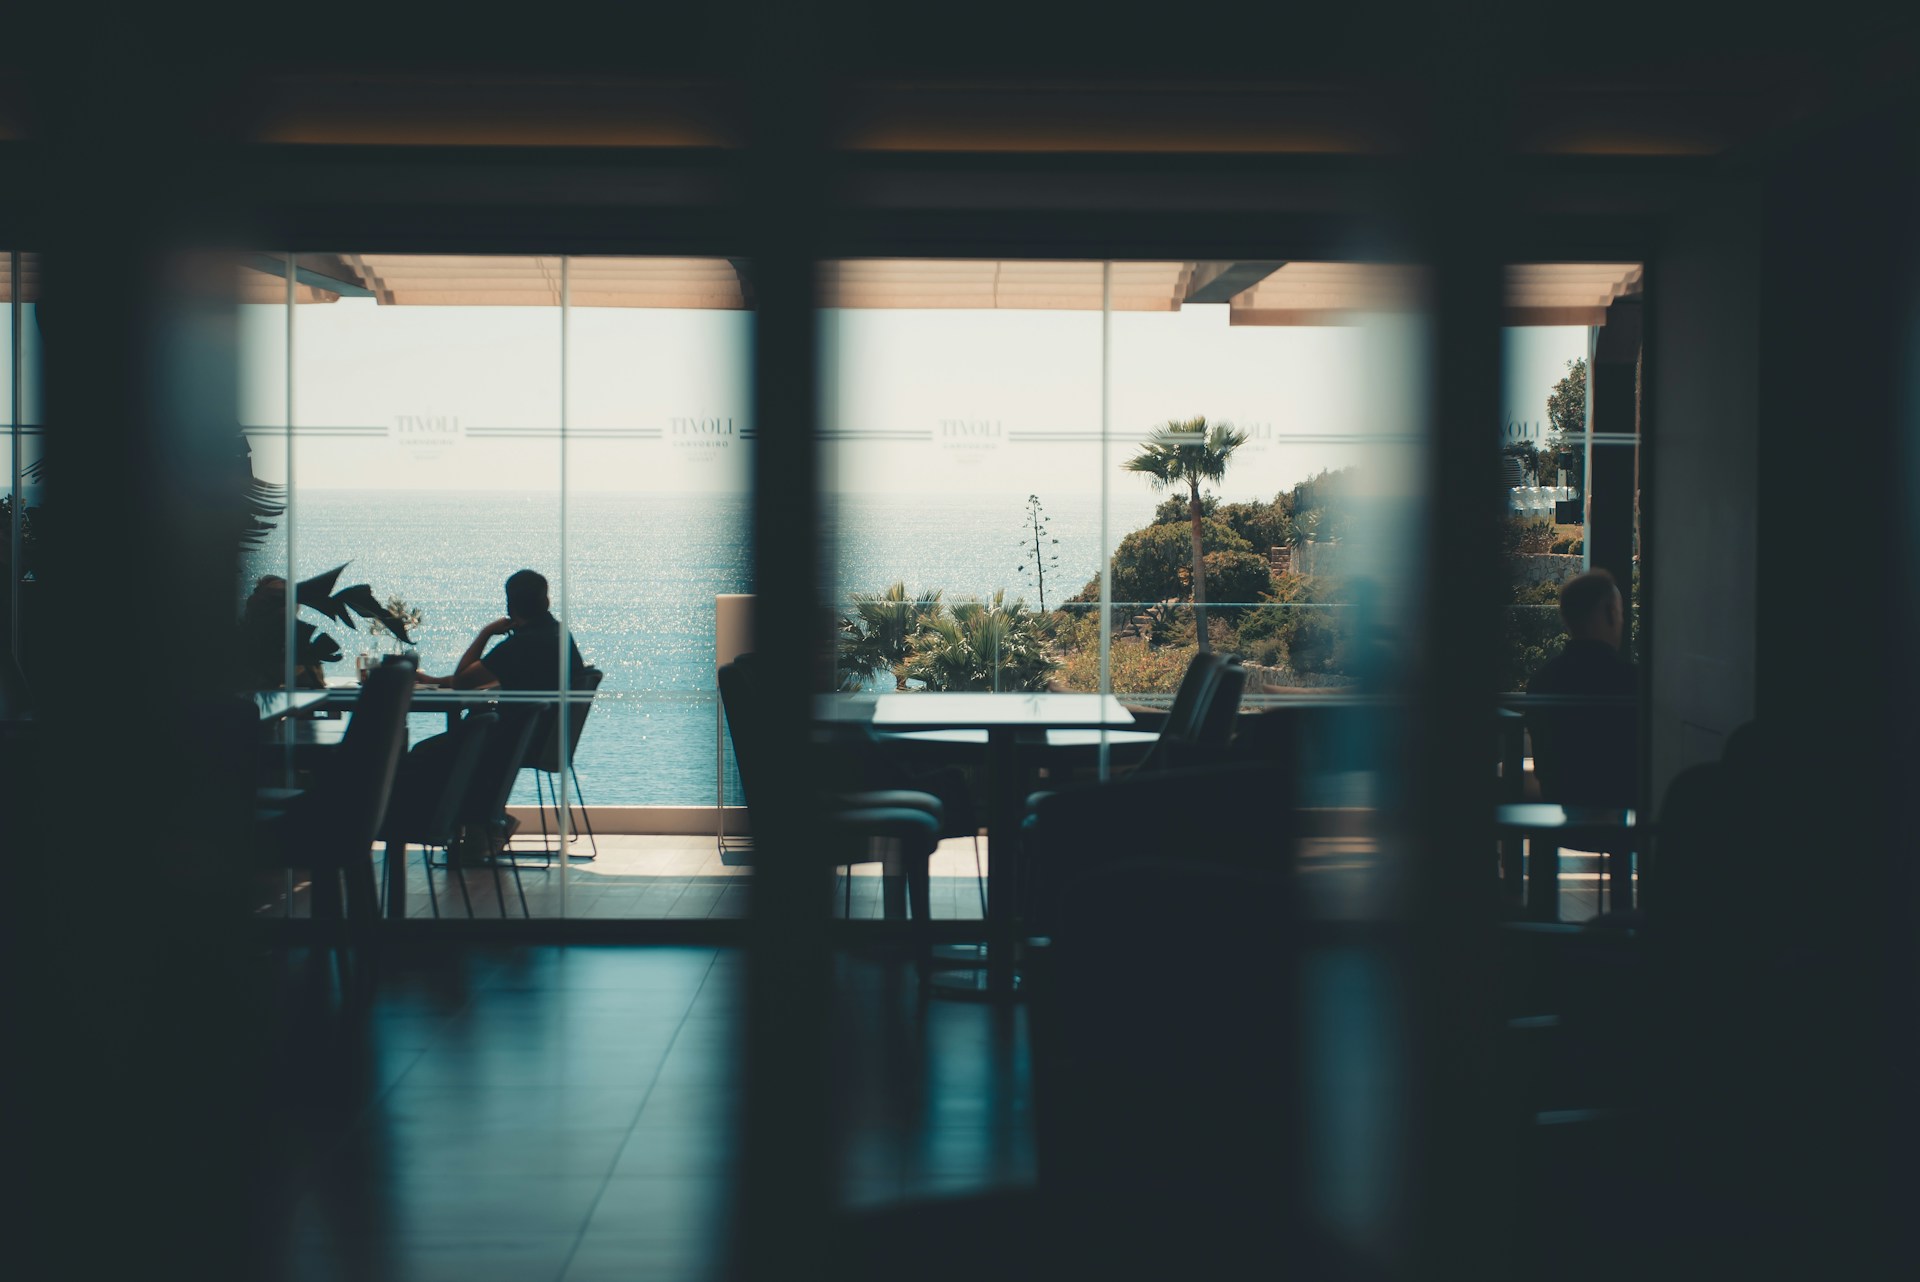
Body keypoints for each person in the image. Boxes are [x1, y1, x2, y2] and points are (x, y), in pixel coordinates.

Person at [403, 570, 589, 863]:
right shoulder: (556, 635)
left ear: (510, 606)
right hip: (545, 737)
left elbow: (464, 680)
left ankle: (473, 825)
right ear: (546, 601)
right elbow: (487, 677)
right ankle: (487, 823)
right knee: (459, 744)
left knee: (428, 752)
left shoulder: (521, 644)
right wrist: (436, 681)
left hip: (517, 739)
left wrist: (486, 632)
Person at [1527, 568, 1637, 807]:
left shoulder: (1541, 681)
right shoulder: (1632, 682)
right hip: (1621, 809)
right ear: (1611, 613)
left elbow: (1544, 767)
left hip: (1559, 806)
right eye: (1621, 613)